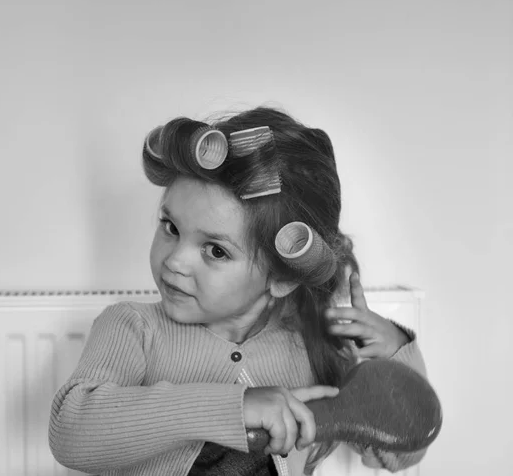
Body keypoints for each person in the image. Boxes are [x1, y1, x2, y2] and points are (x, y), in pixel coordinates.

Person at [49, 107, 428, 476]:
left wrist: (397, 354)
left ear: (281, 277)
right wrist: (234, 408)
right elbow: (71, 433)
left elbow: (394, 455)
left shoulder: (313, 351)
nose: (175, 260)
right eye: (171, 227)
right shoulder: (132, 327)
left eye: (215, 250)